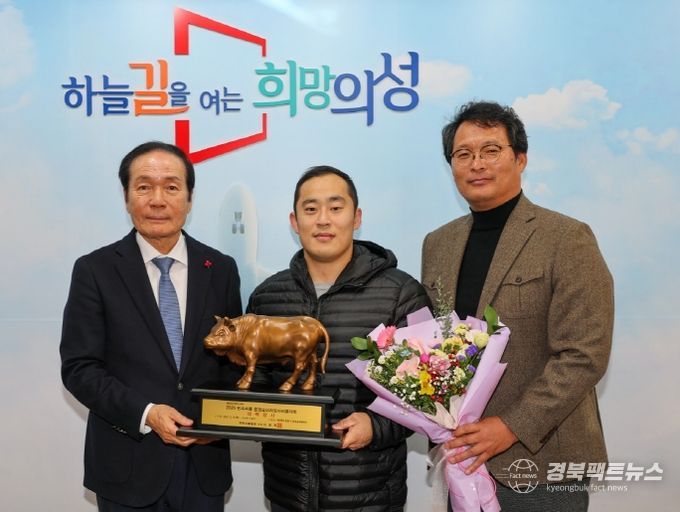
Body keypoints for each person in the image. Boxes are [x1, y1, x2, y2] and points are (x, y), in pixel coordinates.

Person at [421, 101, 614, 511]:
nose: (477, 164)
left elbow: (584, 355)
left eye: (491, 150)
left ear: (520, 158)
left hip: (540, 461)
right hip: (463, 459)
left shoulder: (566, 238)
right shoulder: (438, 244)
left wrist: (511, 426)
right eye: (463, 154)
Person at [60, 141, 242, 511]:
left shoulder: (220, 268)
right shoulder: (95, 270)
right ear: (127, 197)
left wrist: (217, 421)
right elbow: (80, 368)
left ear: (189, 199)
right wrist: (146, 413)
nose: (157, 200)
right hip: (128, 465)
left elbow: (234, 361)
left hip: (204, 465)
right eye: (144, 186)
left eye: (171, 187)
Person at [247, 166, 431, 511]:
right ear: (294, 221)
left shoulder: (401, 293)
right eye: (311, 209)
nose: (323, 220)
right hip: (289, 491)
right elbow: (254, 381)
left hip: (370, 491)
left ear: (356, 217)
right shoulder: (266, 297)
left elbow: (427, 391)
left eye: (335, 207)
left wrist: (377, 426)